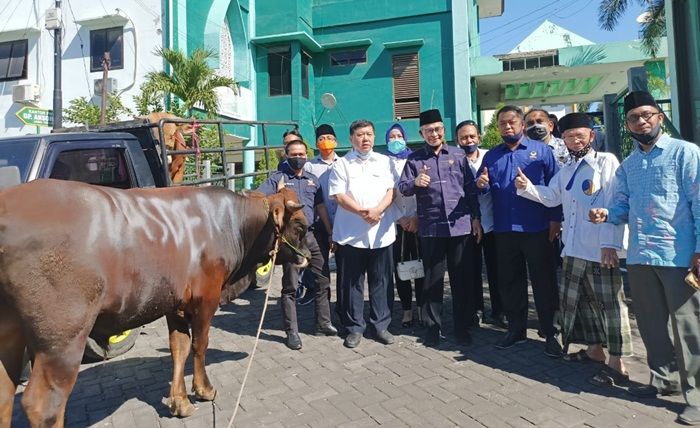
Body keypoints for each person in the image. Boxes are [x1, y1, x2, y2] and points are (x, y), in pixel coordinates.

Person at [589, 90, 700, 425]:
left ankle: (695, 396)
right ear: (627, 125)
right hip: (639, 255)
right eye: (634, 118)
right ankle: (662, 381)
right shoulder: (629, 165)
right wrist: (606, 214)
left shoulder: (685, 153)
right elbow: (622, 206)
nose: (642, 122)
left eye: (647, 115)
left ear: (659, 117)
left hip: (678, 255)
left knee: (688, 329)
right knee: (652, 326)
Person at [515, 112, 632, 386]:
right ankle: (595, 351)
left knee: (610, 306)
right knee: (582, 303)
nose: (574, 140)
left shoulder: (606, 162)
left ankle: (618, 363)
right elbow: (552, 197)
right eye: (569, 136)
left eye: (580, 135)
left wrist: (610, 244)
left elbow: (616, 204)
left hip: (600, 248)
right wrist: (528, 187)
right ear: (563, 139)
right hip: (573, 247)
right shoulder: (566, 169)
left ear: (591, 136)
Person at [475, 105, 563, 357]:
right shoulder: (491, 156)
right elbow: (484, 187)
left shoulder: (543, 151)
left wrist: (555, 220)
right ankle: (516, 331)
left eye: (512, 122)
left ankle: (551, 332)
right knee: (510, 282)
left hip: (537, 228)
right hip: (504, 230)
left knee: (544, 282)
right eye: (502, 123)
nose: (507, 127)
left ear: (522, 125)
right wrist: (480, 185)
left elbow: (555, 189)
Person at [398, 109, 481, 347]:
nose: (434, 134)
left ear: (444, 131)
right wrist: (414, 183)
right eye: (429, 131)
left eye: (438, 129)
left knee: (461, 280)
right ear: (421, 133)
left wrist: (476, 218)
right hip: (432, 228)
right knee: (432, 281)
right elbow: (402, 188)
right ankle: (432, 326)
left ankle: (462, 327)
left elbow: (471, 189)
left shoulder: (458, 155)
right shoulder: (414, 159)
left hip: (460, 226)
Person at [257, 138, 337, 350]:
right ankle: (291, 332)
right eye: (294, 154)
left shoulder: (313, 180)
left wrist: (330, 233)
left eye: (302, 154)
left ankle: (323, 323)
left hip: (312, 236)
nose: (298, 158)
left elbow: (320, 207)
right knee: (291, 286)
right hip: (291, 240)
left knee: (322, 280)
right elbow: (258, 199)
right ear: (286, 156)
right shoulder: (278, 179)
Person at [328, 119, 396, 349]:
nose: (364, 138)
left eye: (368, 134)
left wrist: (377, 210)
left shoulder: (385, 161)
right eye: (359, 135)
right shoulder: (342, 164)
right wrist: (361, 212)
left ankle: (381, 326)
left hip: (381, 232)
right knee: (351, 283)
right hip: (351, 234)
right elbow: (338, 195)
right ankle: (354, 327)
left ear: (374, 137)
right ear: (351, 139)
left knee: (382, 281)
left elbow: (391, 191)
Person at [454, 120, 505, 328]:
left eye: (472, 136)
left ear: (479, 137)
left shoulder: (490, 157)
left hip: (492, 222)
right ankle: (476, 309)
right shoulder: (454, 160)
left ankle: (499, 310)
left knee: (496, 269)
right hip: (467, 224)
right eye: (464, 138)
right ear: (457, 140)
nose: (468, 141)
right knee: (471, 270)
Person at [384, 123, 423, 328]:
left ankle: (423, 307)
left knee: (420, 265)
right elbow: (384, 195)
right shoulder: (382, 163)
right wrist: (400, 218)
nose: (396, 139)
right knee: (401, 268)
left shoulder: (416, 159)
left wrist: (416, 217)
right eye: (392, 136)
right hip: (395, 223)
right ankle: (407, 309)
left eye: (399, 135)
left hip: (419, 222)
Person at [299, 125, 340, 307]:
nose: (326, 141)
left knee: (345, 267)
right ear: (316, 143)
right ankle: (324, 306)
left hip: (341, 223)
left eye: (330, 137)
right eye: (322, 138)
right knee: (320, 267)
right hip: (318, 225)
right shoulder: (309, 166)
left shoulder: (344, 163)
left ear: (336, 142)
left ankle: (343, 304)